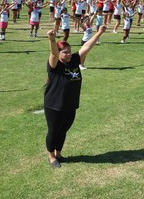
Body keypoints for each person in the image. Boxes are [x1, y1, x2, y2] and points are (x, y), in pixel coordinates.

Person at [44, 24, 107, 168]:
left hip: (70, 103)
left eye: (69, 51)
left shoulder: (74, 60)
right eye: (64, 52)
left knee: (63, 130)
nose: (68, 54)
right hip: (54, 104)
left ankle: (59, 153)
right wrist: (51, 39)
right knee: (53, 131)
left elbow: (87, 47)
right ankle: (51, 156)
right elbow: (53, 53)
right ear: (59, 53)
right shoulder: (54, 64)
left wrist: (99, 33)